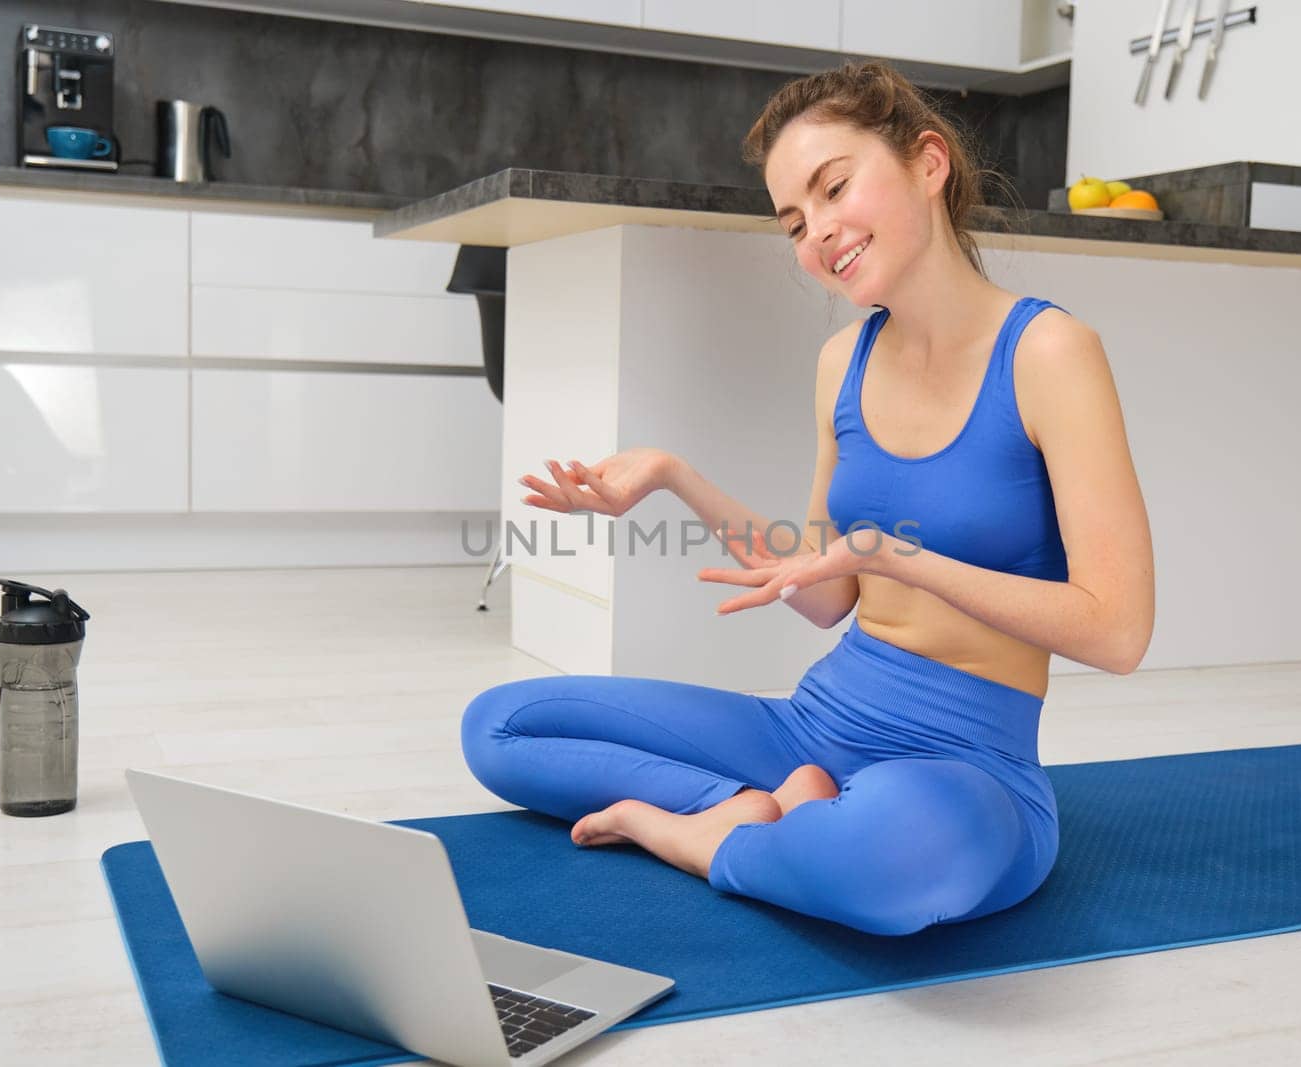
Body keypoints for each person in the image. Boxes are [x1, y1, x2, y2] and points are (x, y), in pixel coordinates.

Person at [460, 61, 1155, 936]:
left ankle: (695, 834)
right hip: (812, 728)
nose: (820, 232)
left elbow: (1118, 631)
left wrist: (894, 554)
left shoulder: (1049, 352)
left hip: (964, 766)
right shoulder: (843, 365)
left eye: (834, 188)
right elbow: (826, 592)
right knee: (502, 727)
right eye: (795, 221)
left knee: (889, 866)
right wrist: (675, 475)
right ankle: (774, 805)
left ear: (929, 163)